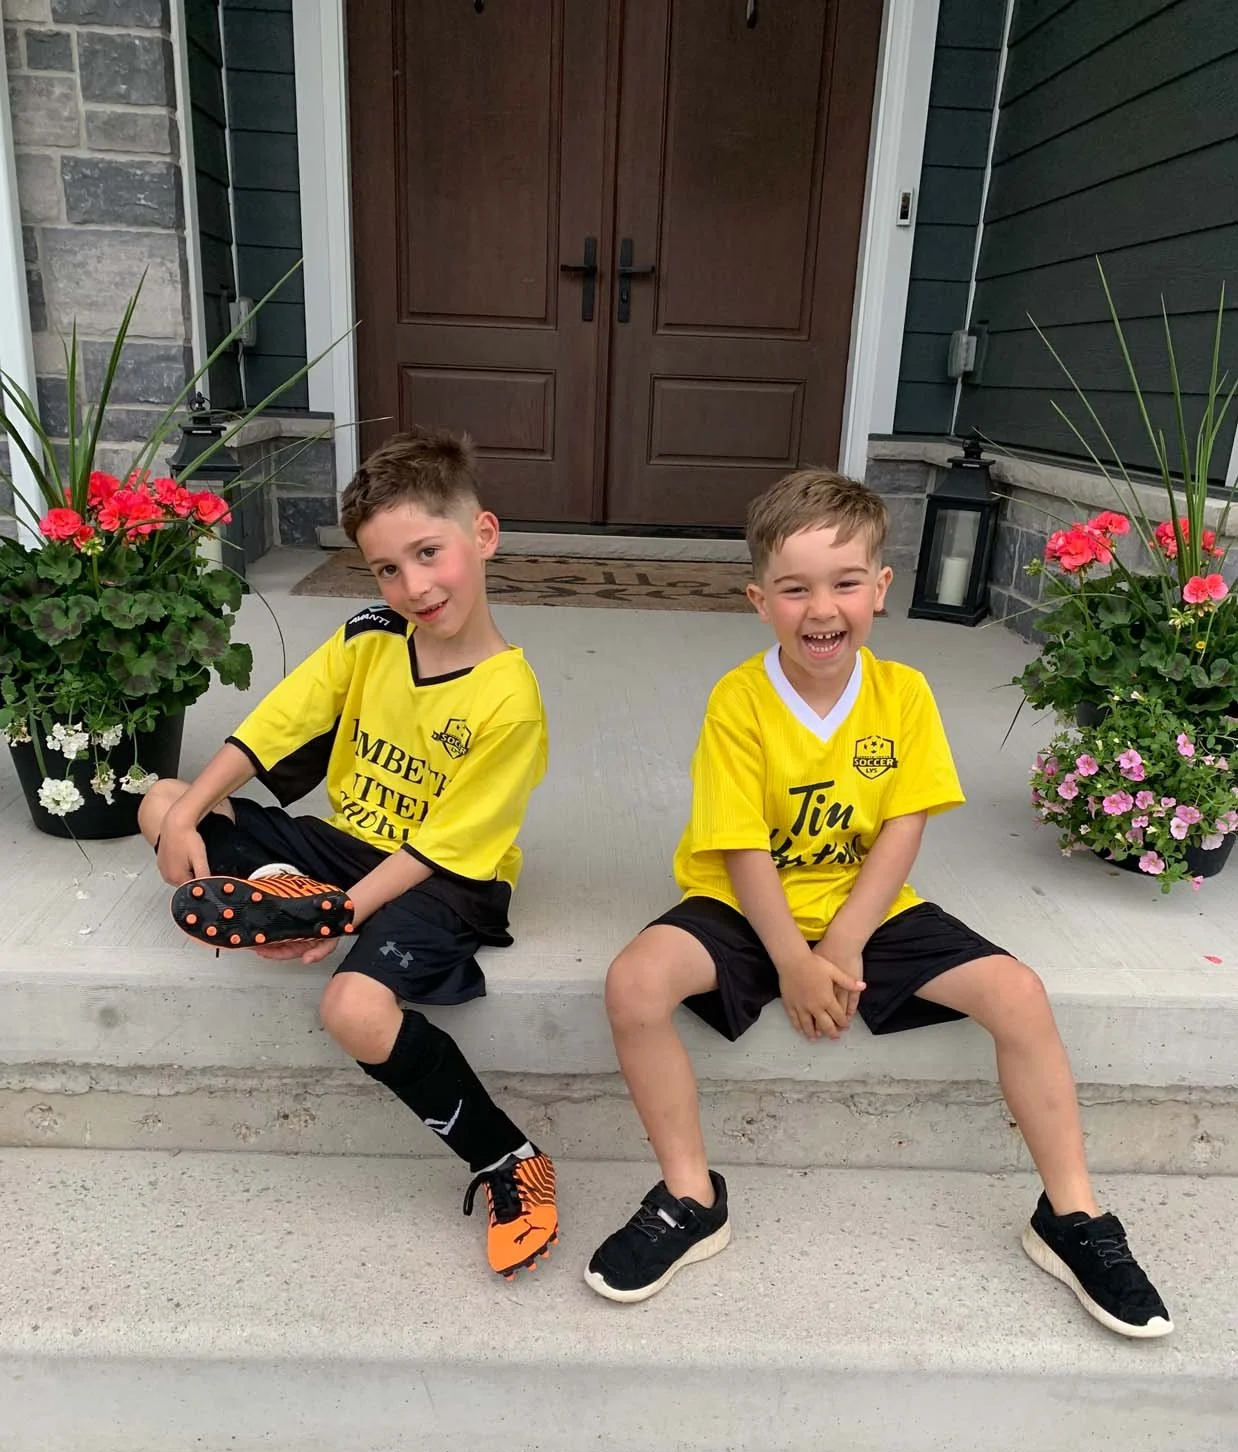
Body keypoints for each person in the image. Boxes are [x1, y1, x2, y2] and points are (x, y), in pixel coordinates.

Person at [585, 468, 1171, 1338]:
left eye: (845, 583)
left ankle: (1071, 1216)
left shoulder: (903, 696)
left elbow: (902, 829)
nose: (822, 608)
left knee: (1020, 995)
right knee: (634, 984)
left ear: (881, 588)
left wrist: (848, 943)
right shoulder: (739, 702)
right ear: (760, 600)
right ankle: (689, 1194)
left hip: (868, 902)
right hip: (746, 905)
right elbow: (742, 848)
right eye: (795, 588)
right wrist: (791, 959)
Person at [140, 426, 558, 1280]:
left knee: (353, 1011)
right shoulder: (371, 634)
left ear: (481, 536)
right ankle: (273, 885)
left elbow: (442, 849)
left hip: (443, 880)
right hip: (347, 847)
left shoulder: (510, 702)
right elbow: (279, 724)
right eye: (387, 568)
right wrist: (187, 813)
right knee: (158, 802)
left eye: (428, 553)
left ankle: (509, 1160)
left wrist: (338, 914)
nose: (413, 586)